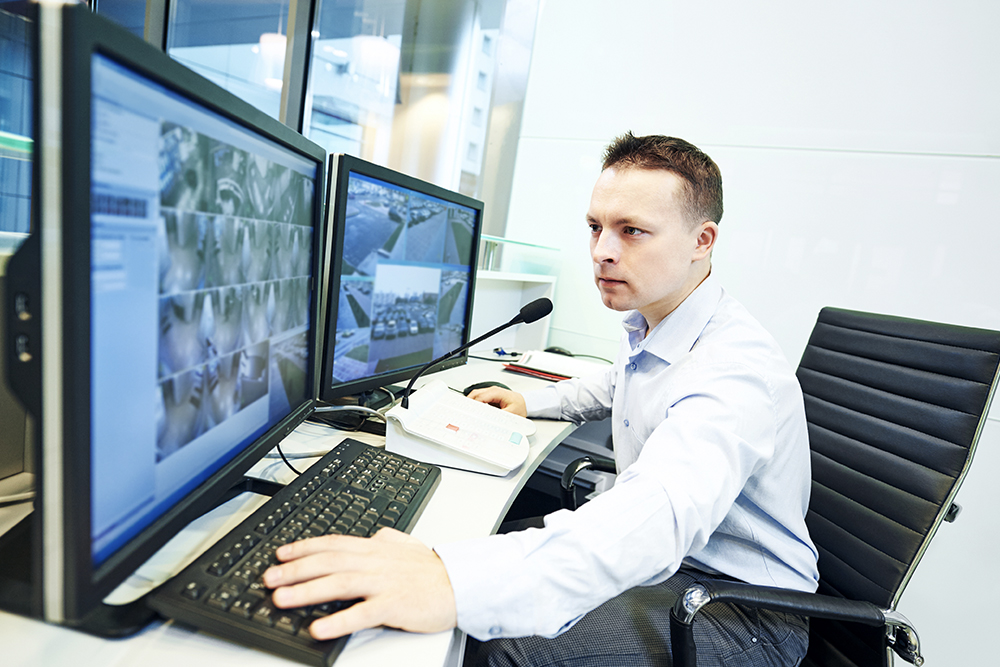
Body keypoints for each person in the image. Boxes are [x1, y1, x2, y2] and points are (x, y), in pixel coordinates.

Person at [263, 133, 819, 666]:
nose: (602, 251)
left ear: (703, 241)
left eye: (632, 231)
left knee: (504, 641)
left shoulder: (733, 372)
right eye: (595, 227)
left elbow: (659, 518)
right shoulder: (660, 322)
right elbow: (617, 384)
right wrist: (530, 401)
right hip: (683, 574)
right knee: (489, 558)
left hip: (741, 612)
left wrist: (450, 582)